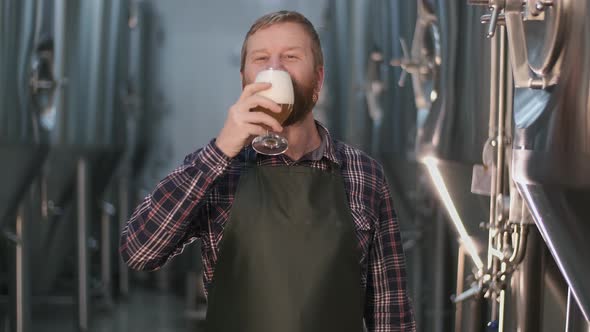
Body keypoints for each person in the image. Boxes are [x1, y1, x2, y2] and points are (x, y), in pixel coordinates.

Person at [120, 10, 416, 332]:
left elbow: (391, 311)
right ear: (245, 80)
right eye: (261, 59)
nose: (275, 69)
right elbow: (139, 251)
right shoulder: (218, 169)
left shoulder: (364, 174)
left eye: (290, 56)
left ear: (317, 80)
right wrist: (219, 151)